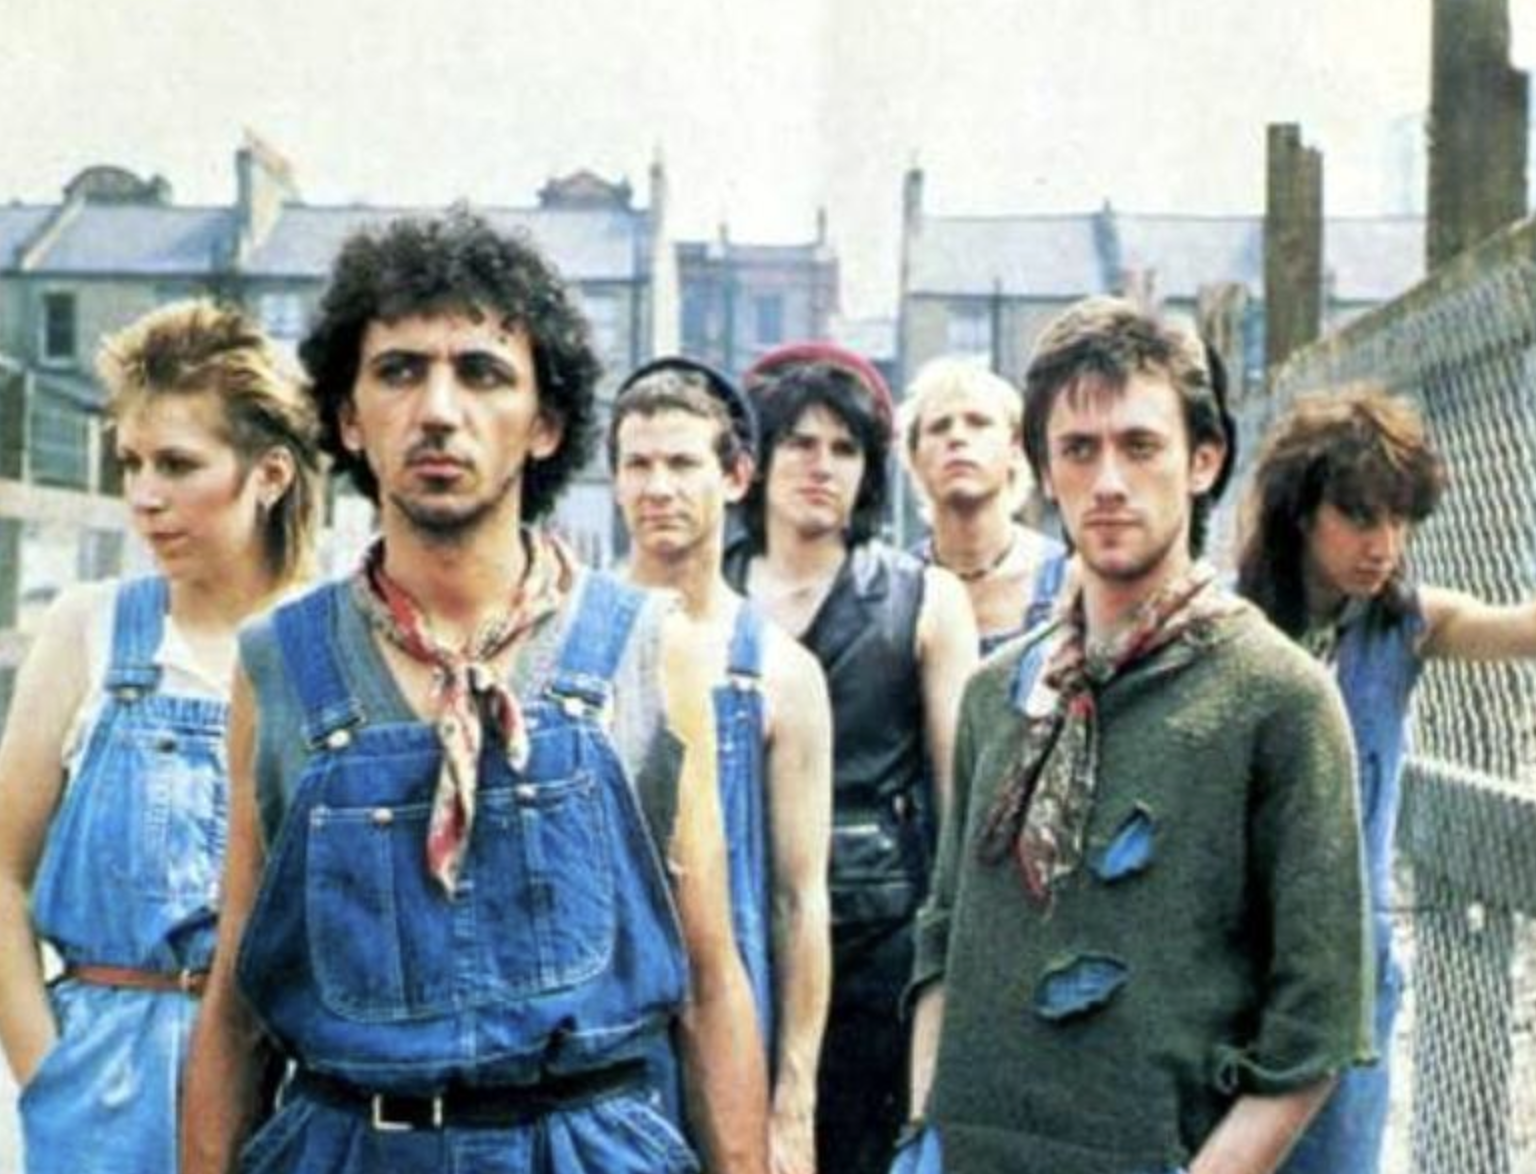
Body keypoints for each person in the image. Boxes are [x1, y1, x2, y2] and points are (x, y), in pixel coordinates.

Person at [182, 211, 768, 1174]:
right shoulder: (278, 665)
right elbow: (238, 1003)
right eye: (400, 371)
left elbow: (710, 985)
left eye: (482, 373)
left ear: (544, 423)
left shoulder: (648, 651)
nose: (439, 410)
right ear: (346, 417)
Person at [904, 297, 1372, 1174]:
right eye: (1078, 450)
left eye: (1140, 445)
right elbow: (945, 934)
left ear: (1204, 459)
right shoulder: (993, 694)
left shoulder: (1277, 698)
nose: (1108, 481)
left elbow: (1319, 1020)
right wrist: (926, 1128)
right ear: (1042, 469)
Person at [0, 300, 321, 1174]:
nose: (144, 496)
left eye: (178, 464)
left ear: (271, 475)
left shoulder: (335, 649)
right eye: (131, 463)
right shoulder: (88, 630)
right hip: (102, 1092)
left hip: (292, 1087)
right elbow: (1, 875)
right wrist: (50, 1077)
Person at [1236, 384, 1536, 1174]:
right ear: (1303, 513)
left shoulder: (1398, 627)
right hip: (1236, 967)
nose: (1384, 544)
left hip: (1348, 975)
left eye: (1399, 521)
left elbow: (1510, 626)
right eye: (1361, 517)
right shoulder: (1230, 627)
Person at [723, 342, 977, 1174]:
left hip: (876, 946)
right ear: (754, 458)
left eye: (845, 448)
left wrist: (946, 986)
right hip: (725, 932)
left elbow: (961, 808)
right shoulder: (706, 592)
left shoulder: (923, 598)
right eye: (798, 442)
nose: (820, 466)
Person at [610, 357, 832, 1174]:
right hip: (597, 1050)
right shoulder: (575, 649)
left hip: (730, 1030)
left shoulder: (779, 672)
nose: (657, 487)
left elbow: (799, 902)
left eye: (681, 463)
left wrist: (792, 1106)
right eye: (637, 464)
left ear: (736, 476)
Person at [899, 357, 1068, 654]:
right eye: (939, 427)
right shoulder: (895, 591)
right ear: (914, 458)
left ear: (1015, 448)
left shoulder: (1068, 579)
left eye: (978, 423)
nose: (957, 437)